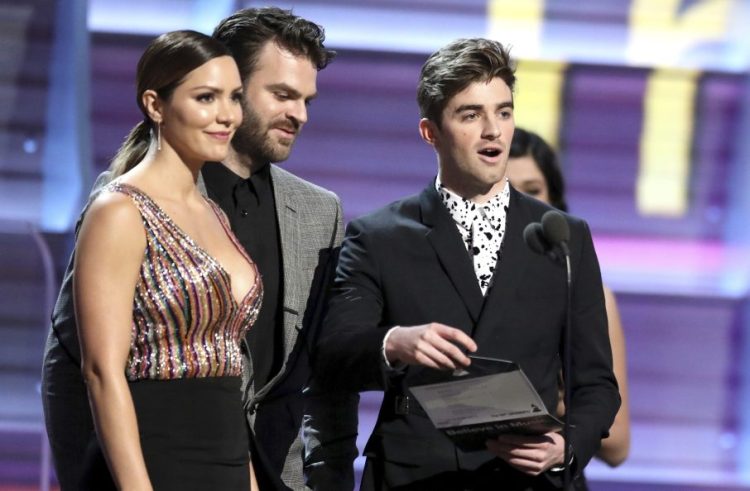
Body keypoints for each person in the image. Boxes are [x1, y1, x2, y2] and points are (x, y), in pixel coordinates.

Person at [42, 7, 344, 491]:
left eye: (307, 99)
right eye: (283, 95)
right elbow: (76, 364)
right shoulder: (125, 202)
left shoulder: (318, 211)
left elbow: (313, 368)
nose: (299, 114)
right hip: (149, 457)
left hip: (258, 467)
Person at [309, 38, 620, 490]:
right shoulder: (378, 236)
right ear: (430, 132)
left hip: (524, 479)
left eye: (504, 111)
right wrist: (395, 342)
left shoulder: (564, 236)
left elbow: (596, 386)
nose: (493, 130)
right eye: (471, 114)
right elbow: (334, 354)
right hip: (417, 475)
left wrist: (566, 446)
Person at [72, 30, 258, 489]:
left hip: (228, 456)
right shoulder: (119, 210)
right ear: (155, 105)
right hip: (156, 457)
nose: (227, 115)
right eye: (206, 97)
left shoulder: (213, 211)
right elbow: (100, 370)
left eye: (234, 97)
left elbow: (229, 367)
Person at [505, 127, 631, 485]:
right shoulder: (456, 280)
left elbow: (618, 444)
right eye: (508, 193)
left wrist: (548, 395)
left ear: (555, 202)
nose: (523, 206)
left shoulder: (587, 292)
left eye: (533, 191)